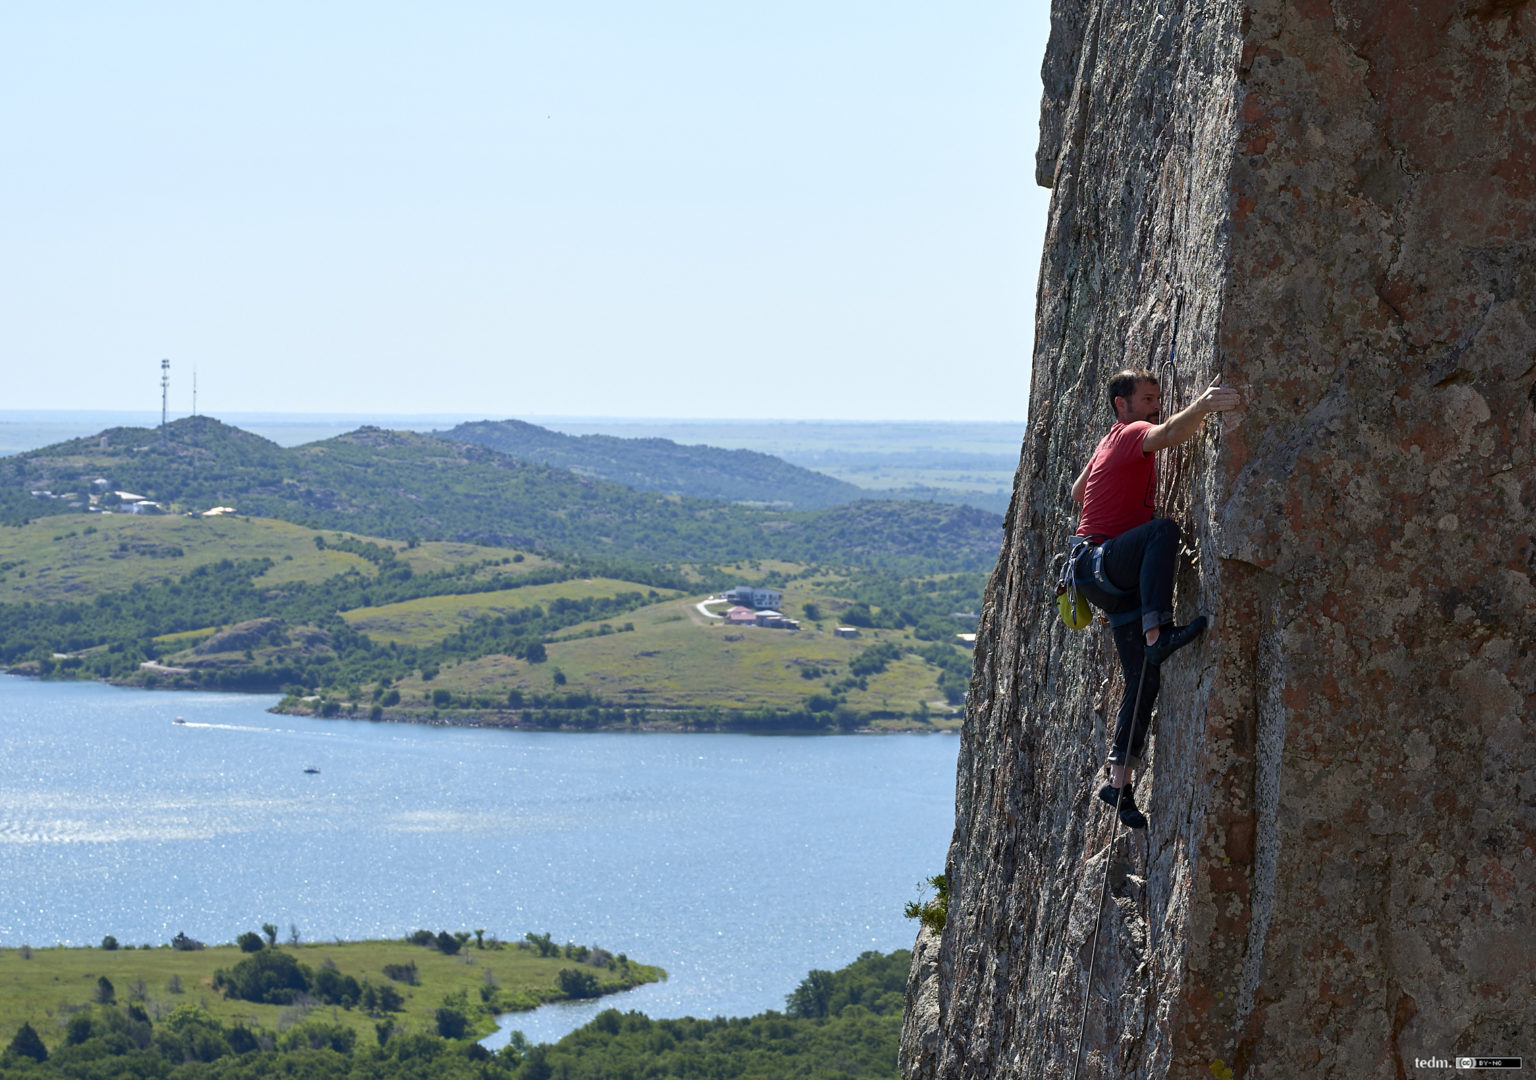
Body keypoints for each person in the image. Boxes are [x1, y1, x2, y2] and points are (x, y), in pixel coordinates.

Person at [1069, 368, 1243, 828]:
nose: (1155, 406)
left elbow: (1076, 491)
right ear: (1121, 405)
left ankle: (1119, 783)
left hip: (1097, 572)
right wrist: (1205, 405)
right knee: (1162, 531)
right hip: (1104, 563)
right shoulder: (1130, 433)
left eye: (1157, 398)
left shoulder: (1109, 440)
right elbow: (1167, 434)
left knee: (1142, 679)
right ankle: (1157, 630)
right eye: (1147, 398)